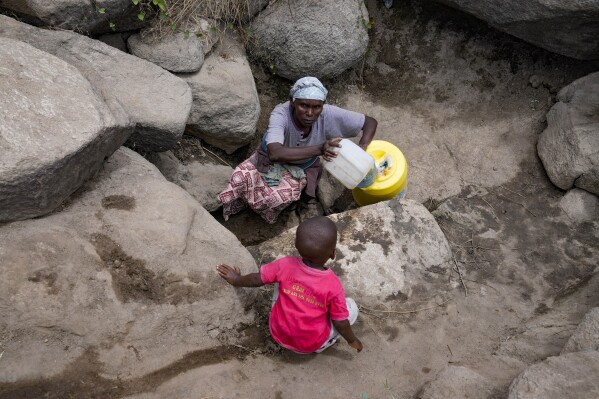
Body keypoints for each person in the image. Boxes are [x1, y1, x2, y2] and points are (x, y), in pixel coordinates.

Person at [218, 76, 377, 223]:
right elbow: (274, 153)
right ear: (292, 101)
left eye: (316, 107)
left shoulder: (328, 113)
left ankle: (282, 207)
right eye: (303, 105)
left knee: (278, 198)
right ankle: (240, 205)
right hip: (268, 158)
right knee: (239, 178)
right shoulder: (280, 114)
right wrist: (320, 149)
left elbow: (370, 122)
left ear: (323, 105)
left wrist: (362, 148)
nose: (310, 113)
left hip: (301, 165)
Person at [216, 216, 363, 354]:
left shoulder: (284, 264)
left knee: (277, 278)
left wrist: (236, 279)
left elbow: (256, 279)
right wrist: (352, 340)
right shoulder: (333, 285)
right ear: (332, 254)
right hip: (309, 345)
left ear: (296, 245)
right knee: (350, 307)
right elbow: (340, 322)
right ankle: (323, 344)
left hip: (278, 333)